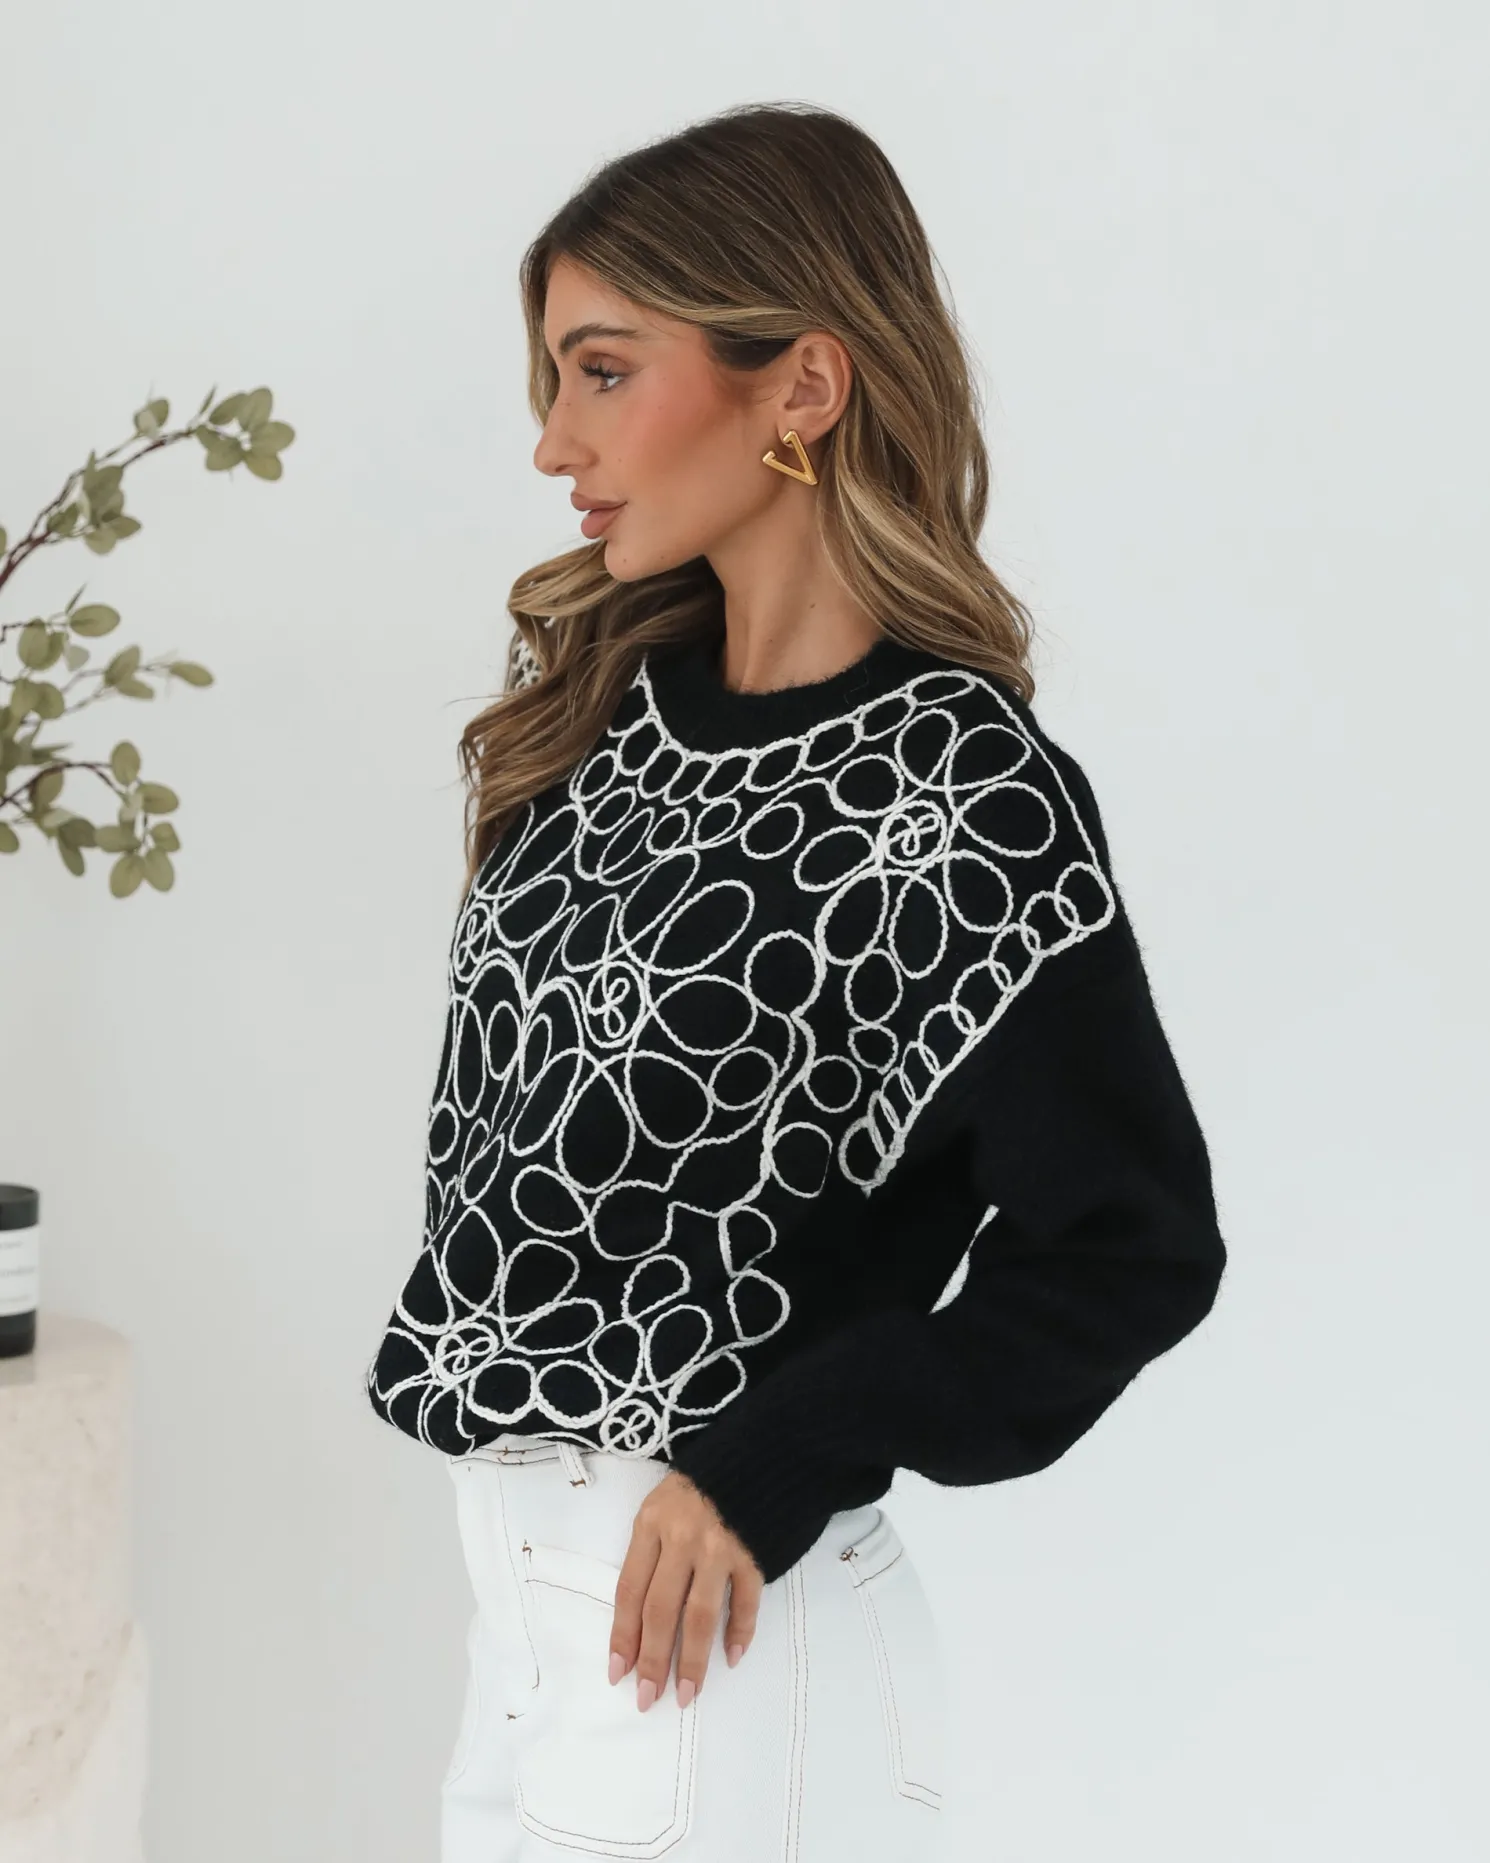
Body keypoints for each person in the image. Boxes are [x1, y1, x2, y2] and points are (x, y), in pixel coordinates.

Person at [364, 99, 1228, 1863]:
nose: (552, 441)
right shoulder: (598, 728)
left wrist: (786, 1449)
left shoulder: (958, 796)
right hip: (518, 1621)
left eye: (604, 371)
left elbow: (1130, 1244)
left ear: (802, 386)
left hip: (718, 1644)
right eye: (554, 377)